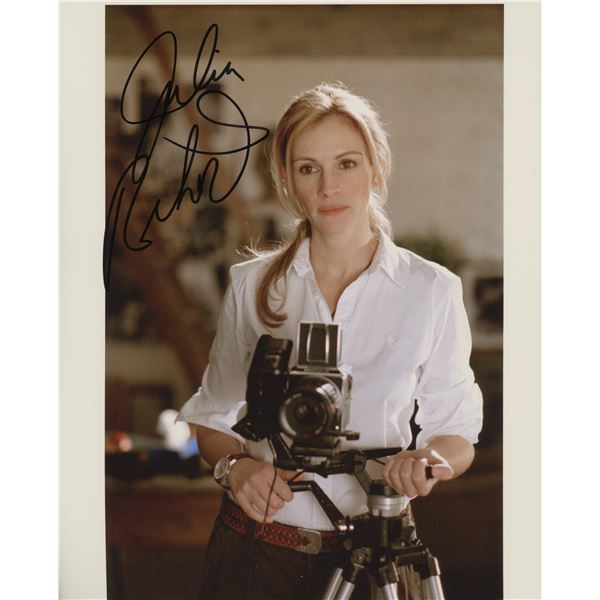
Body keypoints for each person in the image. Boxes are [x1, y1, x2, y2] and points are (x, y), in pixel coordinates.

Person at [177, 81, 483, 599]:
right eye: (308, 168)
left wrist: (428, 462)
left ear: (376, 167)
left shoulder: (431, 289)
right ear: (287, 179)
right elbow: (212, 419)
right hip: (259, 550)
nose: (328, 187)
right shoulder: (253, 286)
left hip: (381, 550)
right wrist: (237, 467)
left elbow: (455, 432)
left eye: (346, 164)